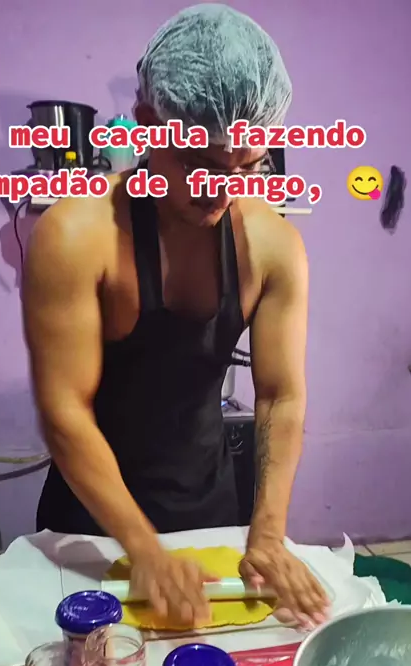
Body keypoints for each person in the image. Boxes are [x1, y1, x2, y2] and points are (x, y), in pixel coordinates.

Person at [23, 4, 329, 629]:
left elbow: (280, 396)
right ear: (146, 126)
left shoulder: (273, 245)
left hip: (210, 515)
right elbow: (64, 410)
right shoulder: (75, 236)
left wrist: (268, 532)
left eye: (246, 169)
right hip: (89, 528)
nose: (222, 191)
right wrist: (143, 549)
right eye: (202, 166)